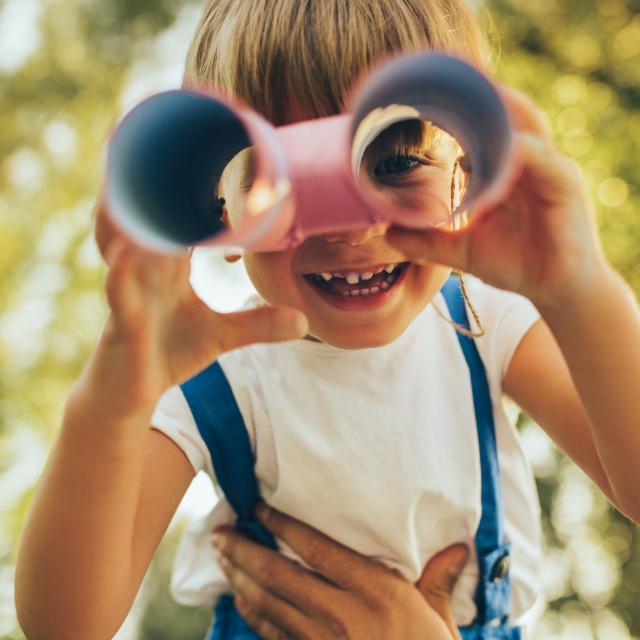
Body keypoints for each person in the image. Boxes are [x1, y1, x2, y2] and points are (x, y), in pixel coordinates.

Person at [14, 1, 640, 639]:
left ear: (470, 167)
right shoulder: (209, 378)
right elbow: (66, 627)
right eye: (279, 179)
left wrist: (579, 289)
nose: (350, 223)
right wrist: (111, 401)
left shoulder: (488, 325)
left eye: (395, 160)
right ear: (216, 206)